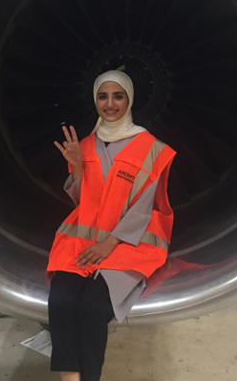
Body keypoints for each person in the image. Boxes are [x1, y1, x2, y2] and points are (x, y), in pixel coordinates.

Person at [47, 70, 176, 381]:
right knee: (61, 300)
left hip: (131, 244)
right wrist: (77, 168)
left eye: (117, 96)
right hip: (83, 240)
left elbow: (146, 205)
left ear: (129, 100)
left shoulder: (151, 147)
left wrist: (111, 243)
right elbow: (84, 200)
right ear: (95, 101)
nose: (110, 103)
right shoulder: (86, 145)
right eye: (103, 96)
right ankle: (70, 378)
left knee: (92, 308)